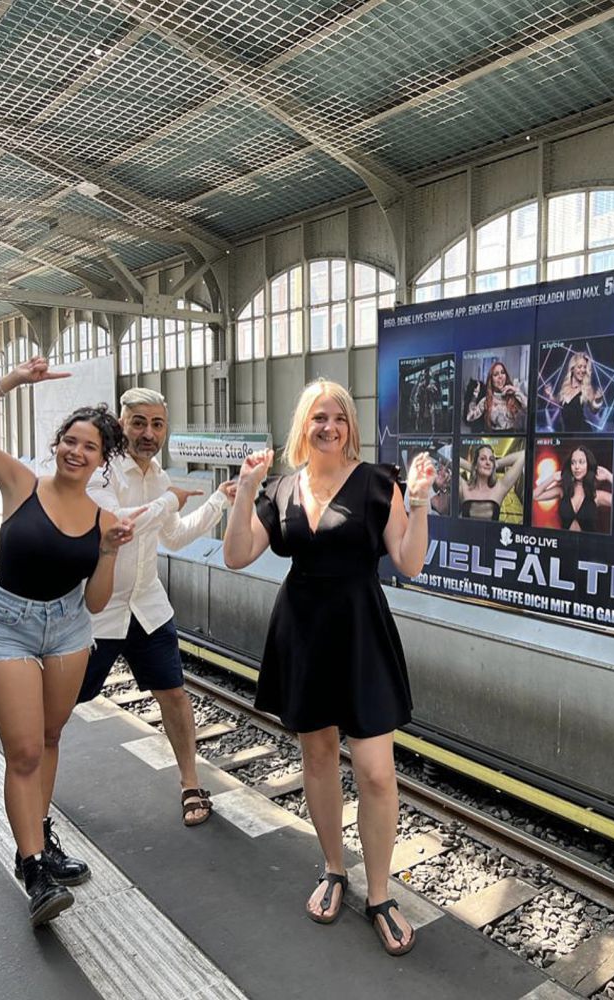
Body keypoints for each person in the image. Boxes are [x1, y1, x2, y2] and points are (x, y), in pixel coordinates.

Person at [223, 379, 433, 956]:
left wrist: (419, 503)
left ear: (350, 427)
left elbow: (409, 562)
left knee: (376, 772)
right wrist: (245, 491)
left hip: (361, 633)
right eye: (319, 417)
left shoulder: (377, 484)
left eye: (339, 417)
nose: (329, 427)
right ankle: (334, 868)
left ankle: (380, 894)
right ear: (303, 426)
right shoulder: (280, 489)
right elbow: (236, 554)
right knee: (317, 756)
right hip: (304, 633)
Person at [0, 358, 139, 926]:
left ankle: (39, 837)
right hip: (6, 625)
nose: (76, 451)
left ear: (102, 459)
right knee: (23, 750)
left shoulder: (102, 519)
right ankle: (33, 870)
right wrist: (12, 381)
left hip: (69, 628)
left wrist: (110, 551)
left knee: (49, 736)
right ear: (57, 445)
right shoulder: (20, 483)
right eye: (70, 441)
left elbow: (95, 603)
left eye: (89, 446)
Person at [77, 387, 235, 827]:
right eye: (139, 422)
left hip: (147, 606)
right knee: (64, 702)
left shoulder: (160, 477)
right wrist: (169, 501)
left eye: (157, 424)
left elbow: (174, 537)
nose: (148, 433)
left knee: (174, 695)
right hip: (99, 612)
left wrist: (219, 499)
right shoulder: (102, 471)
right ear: (121, 424)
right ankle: (34, 784)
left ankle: (191, 784)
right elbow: (119, 526)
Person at [533, 446, 612, 532]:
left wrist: (609, 476)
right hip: (564, 540)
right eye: (573, 463)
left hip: (588, 540)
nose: (576, 467)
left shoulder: (596, 495)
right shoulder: (563, 490)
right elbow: (535, 495)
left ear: (588, 465)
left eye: (581, 462)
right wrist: (552, 478)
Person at [458, 443, 524, 520]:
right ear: (475, 463)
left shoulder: (499, 488)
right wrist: (473, 468)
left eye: (491, 459)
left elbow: (522, 455)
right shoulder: (464, 487)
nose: (488, 462)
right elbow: (451, 458)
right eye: (483, 459)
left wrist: (496, 464)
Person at [465, 361, 527, 432]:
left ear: (506, 376)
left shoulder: (513, 398)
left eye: (502, 372)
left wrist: (516, 391)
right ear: (491, 380)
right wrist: (474, 396)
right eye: (496, 374)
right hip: (493, 437)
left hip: (512, 437)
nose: (500, 376)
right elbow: (469, 417)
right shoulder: (486, 401)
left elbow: (530, 410)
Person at [554, 352, 603, 432]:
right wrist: (549, 396)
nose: (583, 370)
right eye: (579, 367)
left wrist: (598, 401)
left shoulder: (587, 388)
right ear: (572, 368)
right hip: (567, 434)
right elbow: (558, 406)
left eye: (585, 367)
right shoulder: (564, 387)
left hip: (582, 434)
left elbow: (594, 410)